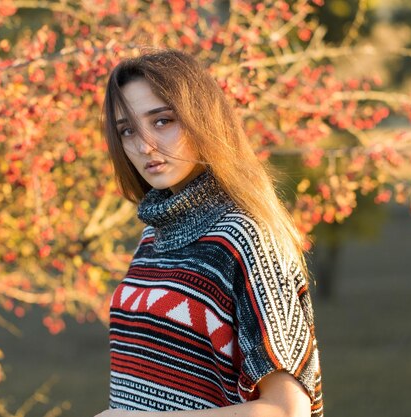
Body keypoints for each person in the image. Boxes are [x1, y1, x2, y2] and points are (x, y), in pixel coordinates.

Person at [95, 49, 323, 417]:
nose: (143, 146)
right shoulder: (153, 239)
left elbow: (287, 410)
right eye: (127, 130)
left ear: (202, 118)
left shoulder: (245, 236)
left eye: (163, 121)